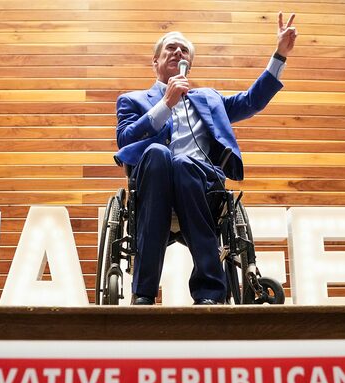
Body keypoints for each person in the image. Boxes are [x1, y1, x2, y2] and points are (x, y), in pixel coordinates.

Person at [115, 12, 298, 305]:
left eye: (183, 49)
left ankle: (209, 294)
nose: (178, 51)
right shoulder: (132, 100)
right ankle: (144, 294)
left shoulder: (210, 99)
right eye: (170, 48)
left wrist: (279, 55)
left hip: (201, 185)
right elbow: (125, 139)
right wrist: (165, 104)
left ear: (190, 62)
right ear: (155, 62)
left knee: (184, 164)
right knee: (162, 154)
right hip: (152, 184)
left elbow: (251, 101)